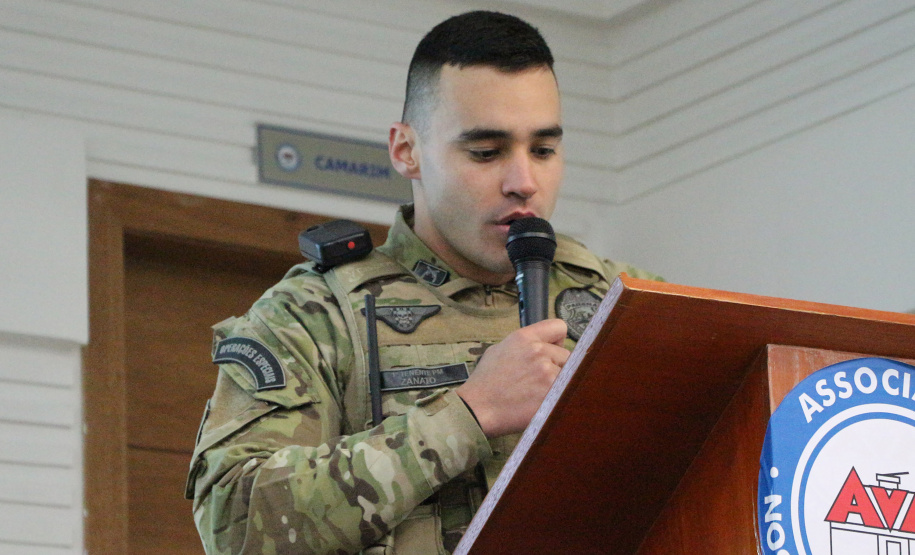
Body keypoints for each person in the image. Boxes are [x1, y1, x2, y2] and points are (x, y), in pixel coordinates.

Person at [186, 10, 662, 555]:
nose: (523, 182)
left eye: (544, 150)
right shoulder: (317, 314)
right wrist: (469, 415)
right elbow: (235, 522)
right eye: (486, 152)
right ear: (406, 151)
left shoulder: (625, 301)